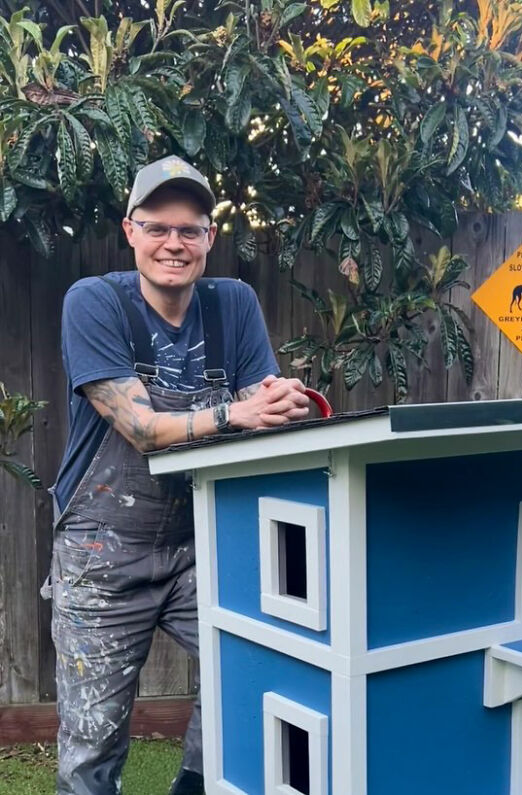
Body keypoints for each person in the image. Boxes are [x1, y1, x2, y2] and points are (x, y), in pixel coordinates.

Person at [47, 155, 310, 795]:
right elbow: (140, 430)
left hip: (204, 545)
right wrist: (239, 412)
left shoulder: (234, 304)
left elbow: (261, 409)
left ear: (209, 239)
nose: (174, 243)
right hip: (101, 556)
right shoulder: (95, 303)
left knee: (246, 677)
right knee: (94, 736)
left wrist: (284, 405)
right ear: (130, 230)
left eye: (189, 230)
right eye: (157, 227)